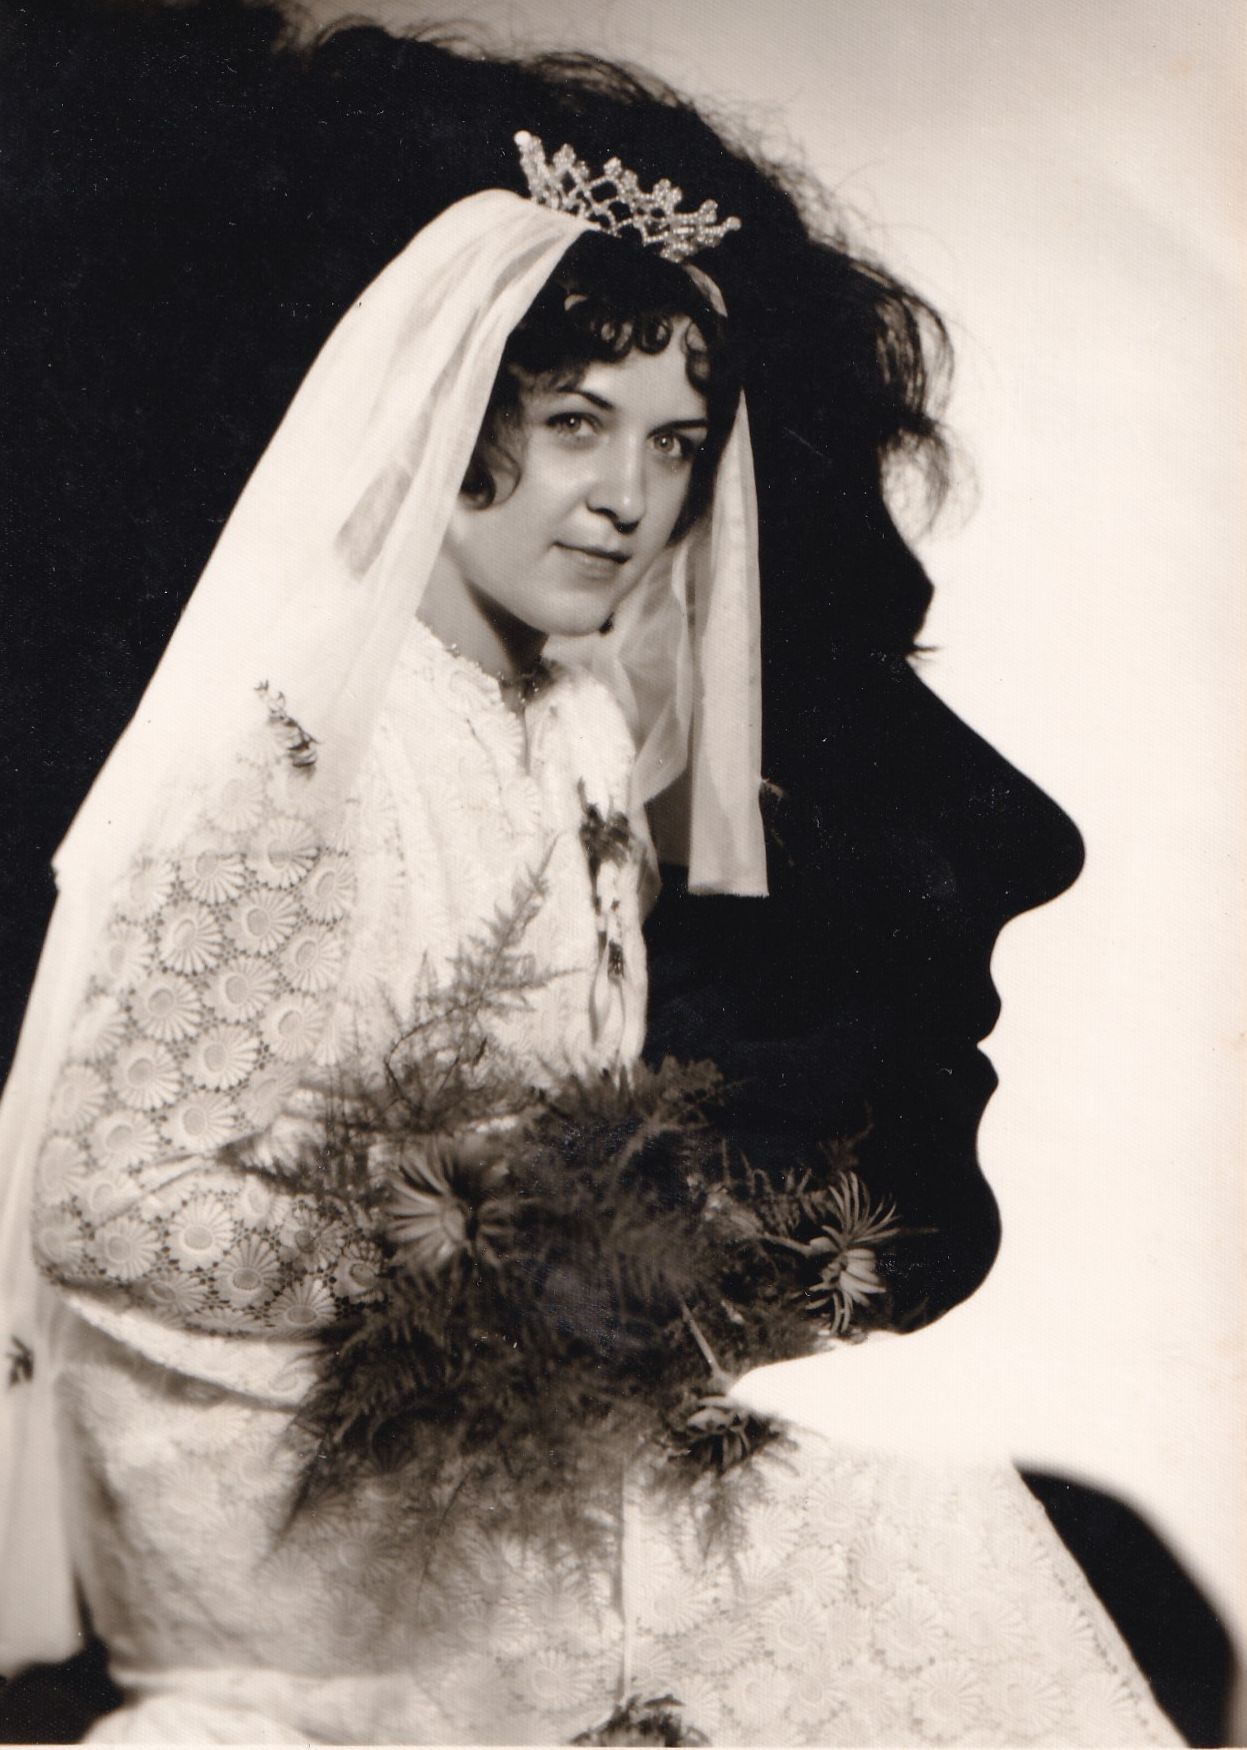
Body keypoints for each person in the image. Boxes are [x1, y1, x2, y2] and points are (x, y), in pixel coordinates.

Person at [0, 6, 1207, 1744]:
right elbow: (102, 1201)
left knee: (930, 1533)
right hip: (270, 1463)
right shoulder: (289, 755)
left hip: (480, 1424)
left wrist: (610, 1259)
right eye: (576, 422)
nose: (629, 497)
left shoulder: (569, 719)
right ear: (450, 409)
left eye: (673, 441)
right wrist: (450, 1270)